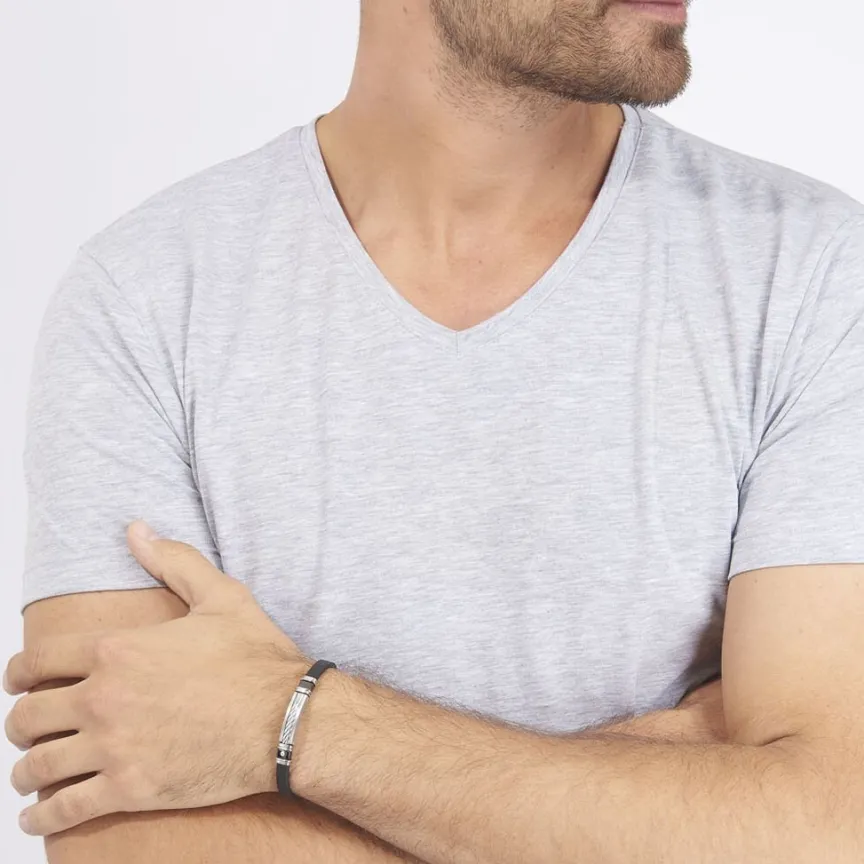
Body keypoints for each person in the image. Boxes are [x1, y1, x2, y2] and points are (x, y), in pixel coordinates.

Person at [4, 0, 864, 860]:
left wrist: (287, 722)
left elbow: (827, 825)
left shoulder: (814, 273)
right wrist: (670, 805)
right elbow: (122, 843)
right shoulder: (143, 299)